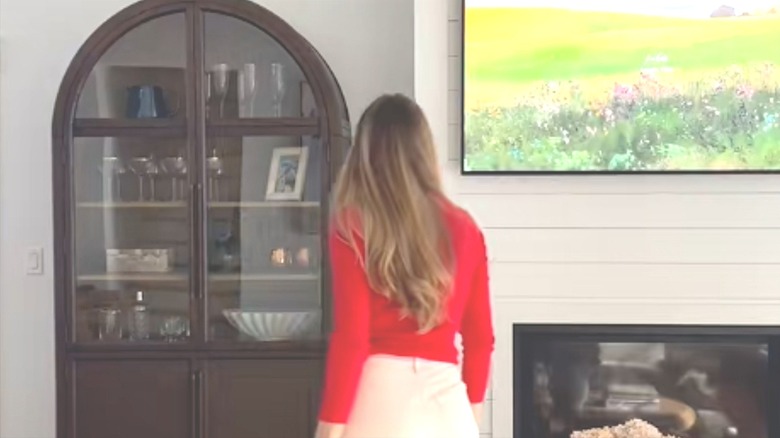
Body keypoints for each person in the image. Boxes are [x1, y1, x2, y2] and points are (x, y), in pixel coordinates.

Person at [315, 94, 495, 438]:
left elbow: (352, 340)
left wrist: (328, 431)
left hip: (378, 403)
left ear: (365, 154)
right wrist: (469, 419)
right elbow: (481, 339)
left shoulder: (352, 225)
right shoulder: (466, 228)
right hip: (448, 406)